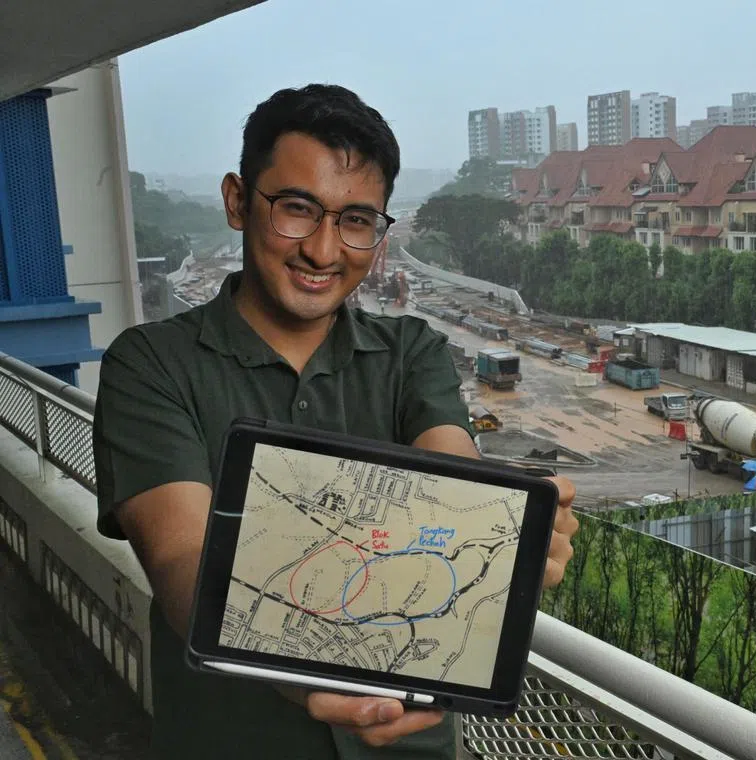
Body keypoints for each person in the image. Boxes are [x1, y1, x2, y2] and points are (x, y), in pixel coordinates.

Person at [92, 84, 579, 760]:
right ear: (237, 201)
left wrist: (507, 537)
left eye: (355, 221)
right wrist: (305, 678)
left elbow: (453, 472)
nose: (323, 251)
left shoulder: (412, 352)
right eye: (296, 209)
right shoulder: (152, 365)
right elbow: (181, 558)